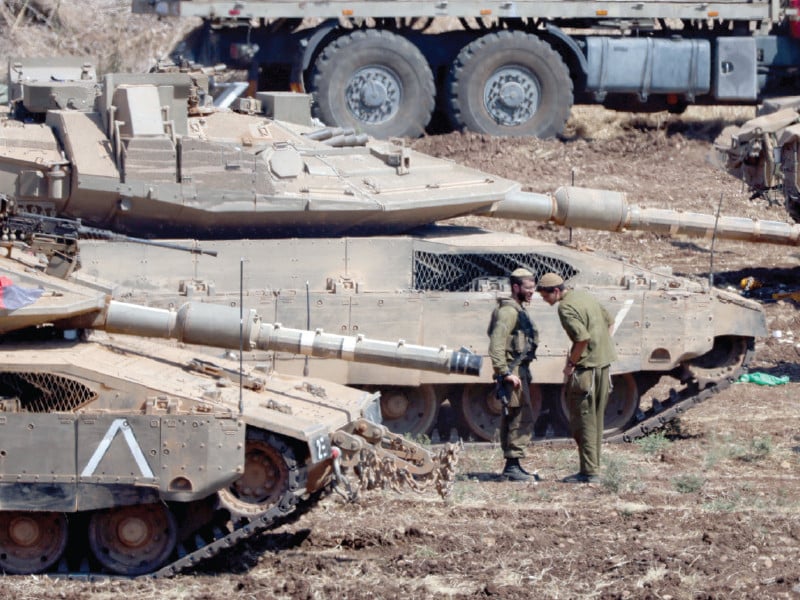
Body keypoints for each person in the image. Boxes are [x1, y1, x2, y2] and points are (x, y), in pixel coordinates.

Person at [536, 272, 617, 484]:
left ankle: (590, 473)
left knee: (583, 422)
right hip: (603, 366)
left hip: (586, 372)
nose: (545, 301)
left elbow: (582, 338)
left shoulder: (565, 307)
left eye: (545, 296)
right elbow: (610, 321)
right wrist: (599, 348)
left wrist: (571, 363)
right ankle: (593, 468)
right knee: (596, 421)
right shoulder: (584, 296)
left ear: (555, 291)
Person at [487, 268, 539, 482]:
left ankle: (514, 465)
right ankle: (512, 465)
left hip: (518, 370)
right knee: (518, 417)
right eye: (528, 287)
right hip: (513, 371)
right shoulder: (508, 311)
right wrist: (504, 371)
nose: (532, 292)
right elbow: (496, 343)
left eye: (533, 287)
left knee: (518, 415)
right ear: (516, 287)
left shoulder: (516, 309)